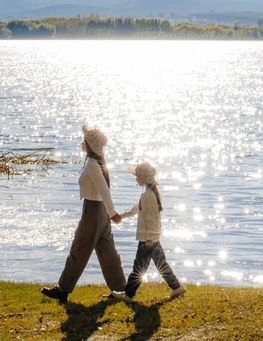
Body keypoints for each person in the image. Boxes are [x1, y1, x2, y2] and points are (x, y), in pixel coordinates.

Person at [41, 124, 127, 304]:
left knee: (79, 248)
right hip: (100, 212)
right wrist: (110, 213)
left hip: (94, 212)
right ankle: (120, 288)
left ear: (89, 143)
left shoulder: (93, 164)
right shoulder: (98, 161)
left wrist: (113, 213)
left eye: (84, 140)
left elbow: (104, 190)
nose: (82, 143)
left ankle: (63, 290)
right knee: (107, 251)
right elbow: (104, 191)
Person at [112, 161, 185, 303]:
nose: (135, 179)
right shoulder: (147, 193)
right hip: (152, 238)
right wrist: (122, 216)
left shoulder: (148, 196)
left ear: (143, 178)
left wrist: (149, 240)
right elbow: (136, 209)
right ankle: (177, 287)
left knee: (138, 267)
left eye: (137, 176)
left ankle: (128, 295)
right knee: (160, 264)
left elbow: (151, 220)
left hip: (148, 239)